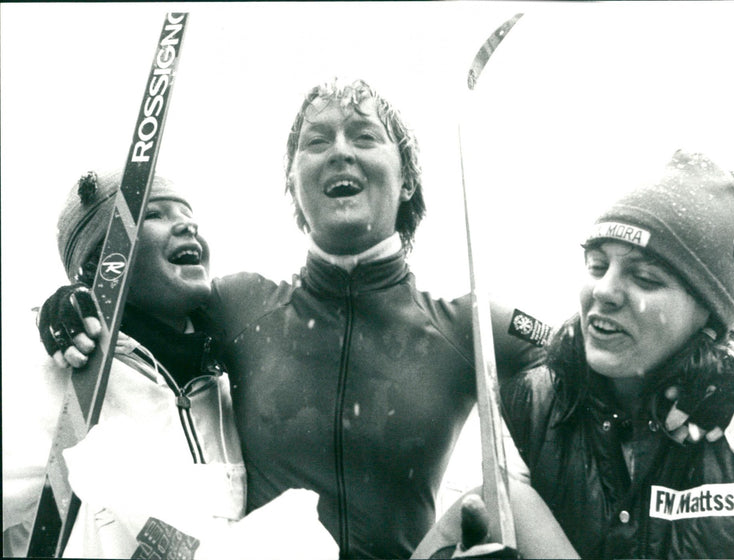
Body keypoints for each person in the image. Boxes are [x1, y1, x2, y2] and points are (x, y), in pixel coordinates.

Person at [33, 79, 581, 559]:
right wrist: (71, 303)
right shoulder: (238, 306)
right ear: (294, 184)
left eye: (364, 136)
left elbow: (597, 356)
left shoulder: (469, 326)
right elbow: (141, 308)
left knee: (499, 494)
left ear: (407, 181)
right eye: (315, 142)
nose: (339, 152)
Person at [416, 150, 734, 559]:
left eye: (645, 278)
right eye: (596, 265)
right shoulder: (528, 406)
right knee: (504, 496)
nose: (605, 291)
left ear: (708, 315)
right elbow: (460, 524)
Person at [2, 170, 338, 559]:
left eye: (187, 213)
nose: (188, 224)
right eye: (155, 214)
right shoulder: (64, 374)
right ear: (105, 259)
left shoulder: (227, 390)